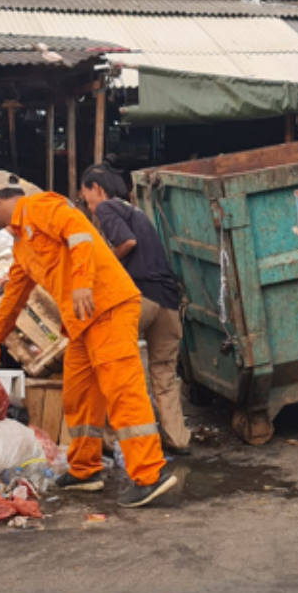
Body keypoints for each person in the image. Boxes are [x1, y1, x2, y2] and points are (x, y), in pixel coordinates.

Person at [0, 171, 178, 508]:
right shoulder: (21, 245)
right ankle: (85, 471)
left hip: (107, 304)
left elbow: (79, 232)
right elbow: (13, 297)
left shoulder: (39, 206)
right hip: (82, 321)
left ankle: (149, 474)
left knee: (121, 388)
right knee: (79, 394)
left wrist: (83, 282)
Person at [80, 162, 191, 455]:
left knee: (109, 361)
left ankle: (108, 439)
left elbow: (126, 242)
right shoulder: (137, 212)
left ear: (97, 188)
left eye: (85, 197)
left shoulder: (107, 208)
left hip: (140, 298)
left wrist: (103, 270)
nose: (88, 205)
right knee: (165, 373)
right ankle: (177, 439)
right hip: (168, 302)